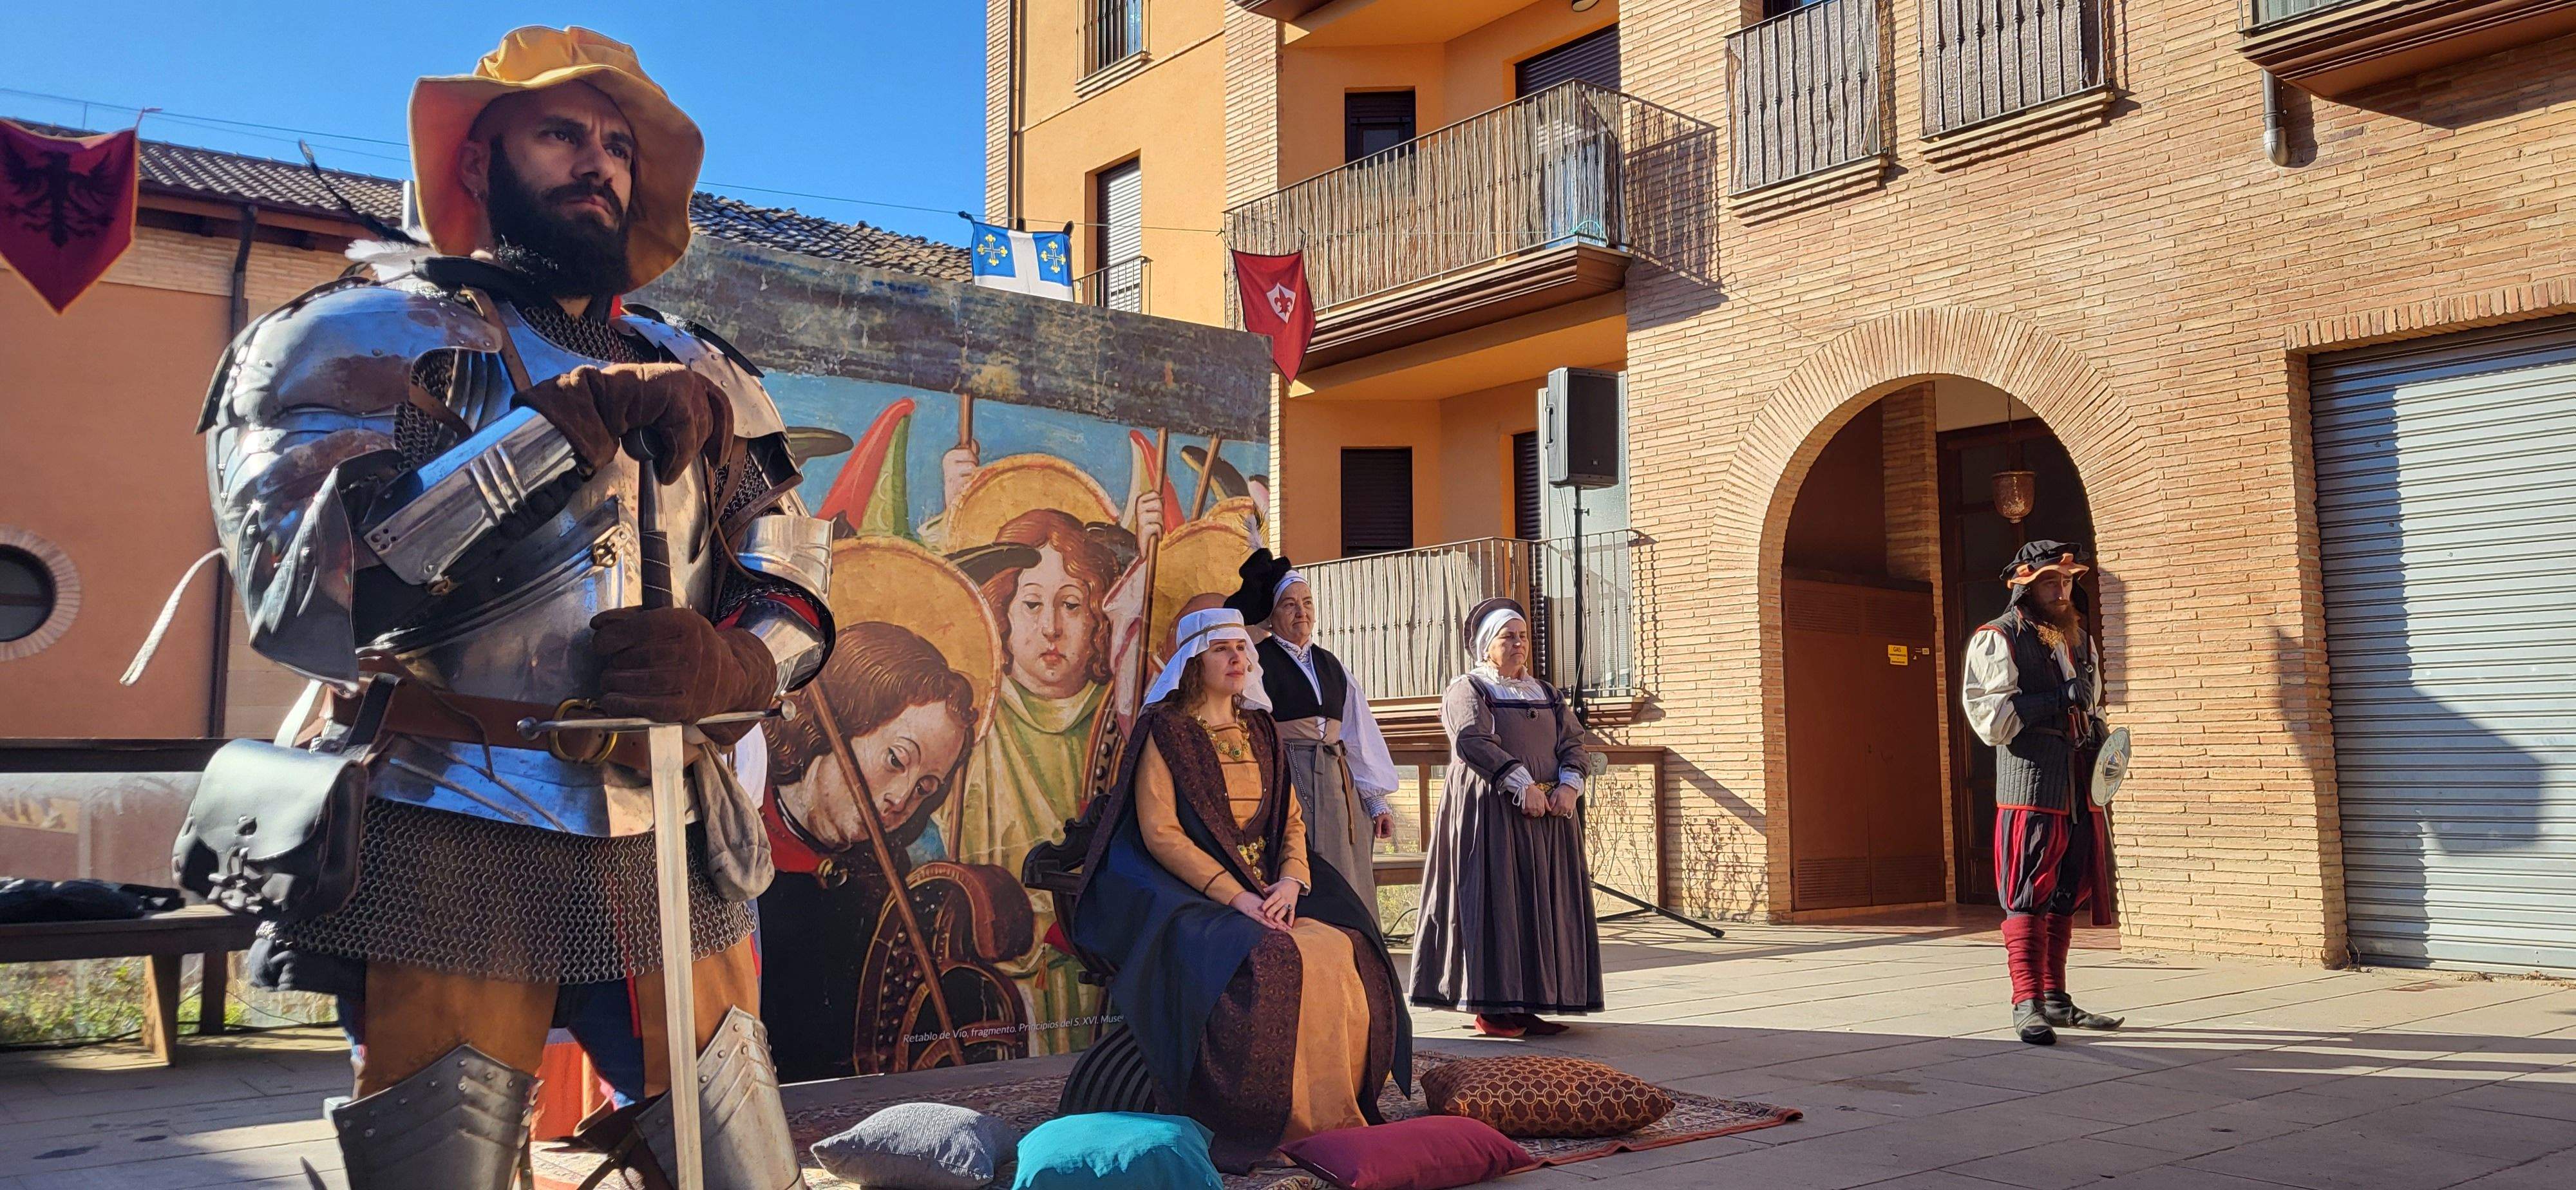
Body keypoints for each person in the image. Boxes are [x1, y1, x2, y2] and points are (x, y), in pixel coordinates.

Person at [203, 27, 828, 1187]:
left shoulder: (714, 369)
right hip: (449, 806)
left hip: (669, 824)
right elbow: (306, 591)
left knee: (739, 1165)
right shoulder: (352, 337)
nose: (597, 162)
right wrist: (555, 426)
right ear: (481, 161)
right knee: (441, 1163)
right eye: (560, 133)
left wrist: (737, 668)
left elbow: (790, 580)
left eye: (615, 143)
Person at [1069, 607, 1409, 1173]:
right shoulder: (1167, 733)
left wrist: (1291, 881)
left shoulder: (1261, 729)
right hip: (1189, 896)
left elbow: (1291, 821)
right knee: (1271, 955)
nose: (1239, 658)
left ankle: (1330, 1116)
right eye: (1224, 649)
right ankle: (1261, 1117)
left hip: (1272, 890)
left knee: (1344, 945)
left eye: (1243, 649)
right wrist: (1240, 897)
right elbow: (1161, 835)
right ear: (1194, 662)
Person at [759, 621, 980, 1080]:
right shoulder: (740, 825)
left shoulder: (885, 881)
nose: (901, 799)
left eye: (925, 787)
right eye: (896, 760)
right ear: (841, 722)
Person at [951, 507, 1122, 1054]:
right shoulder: (970, 722)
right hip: (1000, 986)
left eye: (1072, 605)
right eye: (1031, 605)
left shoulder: (1120, 718)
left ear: (1098, 617)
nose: (1051, 627)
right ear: (1002, 610)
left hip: (1104, 969)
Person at [1409, 598, 1601, 1039]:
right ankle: (1491, 1008)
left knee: (1538, 905)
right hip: (1491, 811)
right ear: (1485, 646)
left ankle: (1528, 1003)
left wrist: (1570, 785)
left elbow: (1573, 742)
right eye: (1507, 636)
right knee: (1496, 901)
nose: (1518, 644)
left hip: (1548, 815)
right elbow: (1474, 741)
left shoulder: (1548, 693)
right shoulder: (1468, 689)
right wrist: (1521, 784)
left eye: (1523, 636)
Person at [1962, 540, 2125, 1046]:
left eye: (2069, 581)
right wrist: (2055, 698)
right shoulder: (1998, 637)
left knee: (2064, 892)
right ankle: (2026, 1003)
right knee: (2026, 892)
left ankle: (2056, 1000)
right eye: (2052, 581)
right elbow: (1992, 721)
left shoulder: (2080, 638)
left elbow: (2092, 708)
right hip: (2031, 779)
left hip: (2079, 781)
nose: (2062, 590)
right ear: (2025, 587)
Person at [1223, 550, 1399, 905]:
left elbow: (1357, 733)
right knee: (1300, 863)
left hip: (1337, 784)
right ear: (1272, 616)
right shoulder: (1258, 662)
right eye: (1289, 605)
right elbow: (1246, 725)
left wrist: (1377, 803)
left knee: (1347, 872)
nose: (1301, 611)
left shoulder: (1331, 665)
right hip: (1288, 778)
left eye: (1307, 603)